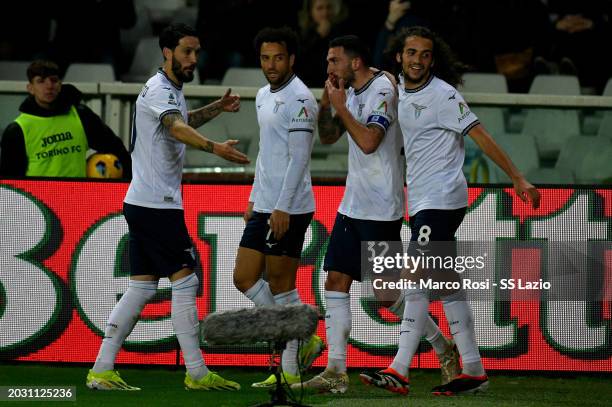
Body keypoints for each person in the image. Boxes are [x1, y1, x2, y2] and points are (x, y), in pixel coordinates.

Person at [360, 26, 540, 396]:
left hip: (442, 198)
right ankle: (473, 370)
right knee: (447, 285)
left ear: (432, 59)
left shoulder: (443, 95)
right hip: (424, 198)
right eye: (411, 53)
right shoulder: (396, 89)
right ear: (400, 57)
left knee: (414, 277)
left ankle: (400, 368)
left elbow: (481, 135)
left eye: (425, 54)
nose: (417, 60)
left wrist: (518, 178)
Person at [85, 23, 249, 391]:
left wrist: (217, 109)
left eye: (197, 51)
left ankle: (101, 369)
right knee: (186, 279)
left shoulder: (170, 89)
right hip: (156, 204)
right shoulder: (160, 89)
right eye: (187, 51)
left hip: (145, 202)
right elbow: (176, 128)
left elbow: (181, 121)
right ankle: (197, 372)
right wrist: (215, 148)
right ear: (167, 52)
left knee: (142, 288)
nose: (194, 58)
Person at [293, 35, 459, 395]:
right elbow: (327, 137)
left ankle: (443, 346)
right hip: (351, 205)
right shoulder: (350, 90)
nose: (328, 67)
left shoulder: (383, 88)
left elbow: (370, 142)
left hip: (382, 209)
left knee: (387, 297)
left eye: (333, 61)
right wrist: (329, 101)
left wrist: (342, 104)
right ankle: (336, 369)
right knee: (335, 282)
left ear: (355, 62)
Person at [232, 26, 325, 390]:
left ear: (292, 59)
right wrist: (256, 198)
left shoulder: (301, 99)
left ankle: (288, 370)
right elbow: (267, 154)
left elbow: (299, 159)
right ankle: (305, 339)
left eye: (278, 57)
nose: (271, 65)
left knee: (283, 288)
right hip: (266, 204)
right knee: (243, 277)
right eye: (265, 58)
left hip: (290, 207)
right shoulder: (261, 95)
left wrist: (282, 207)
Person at [0, 60, 131, 178]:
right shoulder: (17, 130)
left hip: (77, 199)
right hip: (36, 202)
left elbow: (116, 149)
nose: (49, 86)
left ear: (60, 85)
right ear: (30, 88)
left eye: (54, 80)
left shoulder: (82, 116)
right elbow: (10, 181)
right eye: (41, 81)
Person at [297, 0, 349, 87]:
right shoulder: (302, 35)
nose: (325, 13)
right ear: (311, 12)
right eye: (320, 8)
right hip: (311, 87)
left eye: (328, 7)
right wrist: (318, 36)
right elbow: (301, 63)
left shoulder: (342, 32)